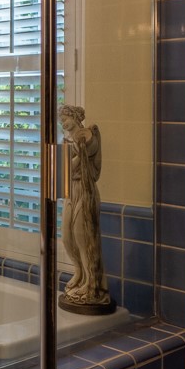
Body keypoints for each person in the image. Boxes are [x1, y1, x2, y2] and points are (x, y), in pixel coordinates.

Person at [59, 104, 112, 310]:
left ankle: (92, 283)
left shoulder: (87, 135)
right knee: (67, 237)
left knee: (83, 238)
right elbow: (63, 172)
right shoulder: (68, 141)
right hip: (70, 190)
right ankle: (79, 272)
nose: (63, 122)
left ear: (75, 117)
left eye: (66, 117)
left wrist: (72, 158)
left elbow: (75, 164)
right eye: (61, 119)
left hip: (85, 190)